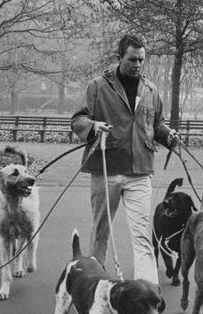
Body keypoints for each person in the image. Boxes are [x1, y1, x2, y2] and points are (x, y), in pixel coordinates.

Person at [71, 34, 176, 284]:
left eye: (141, 60)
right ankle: (95, 285)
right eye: (132, 59)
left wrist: (168, 135)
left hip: (140, 172)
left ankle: (148, 290)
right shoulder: (97, 86)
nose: (138, 65)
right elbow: (78, 120)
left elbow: (156, 124)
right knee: (100, 231)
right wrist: (94, 126)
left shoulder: (151, 90)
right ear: (120, 58)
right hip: (106, 169)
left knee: (141, 234)